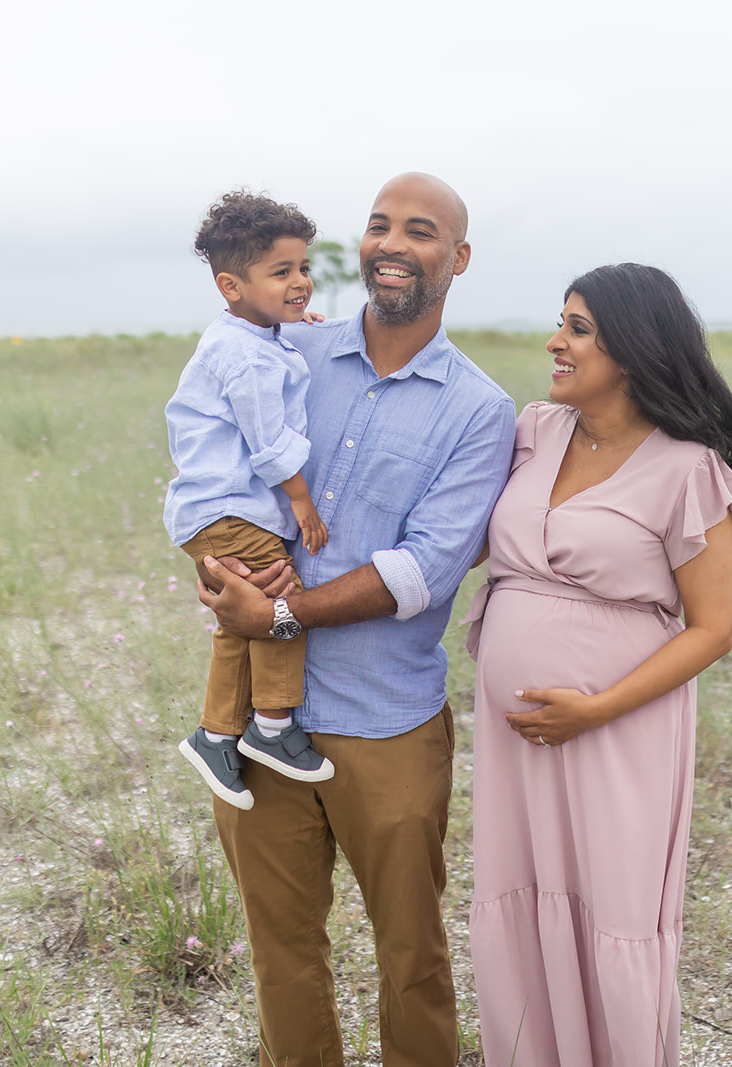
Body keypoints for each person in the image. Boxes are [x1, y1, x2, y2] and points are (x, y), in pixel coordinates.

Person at [197, 173, 516, 1067]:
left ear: (456, 259)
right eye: (379, 225)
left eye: (420, 231)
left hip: (389, 722)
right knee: (282, 952)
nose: (391, 243)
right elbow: (215, 466)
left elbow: (423, 569)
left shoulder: (479, 410)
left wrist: (278, 611)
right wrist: (220, 571)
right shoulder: (285, 352)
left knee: (412, 956)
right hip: (266, 726)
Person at [463, 263, 732, 1066]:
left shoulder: (686, 467)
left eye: (579, 328)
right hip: (513, 735)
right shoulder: (535, 430)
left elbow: (712, 630)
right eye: (561, 321)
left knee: (612, 907)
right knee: (518, 895)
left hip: (617, 728)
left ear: (632, 348)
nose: (555, 342)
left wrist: (596, 707)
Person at [165, 191, 336, 811]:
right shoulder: (246, 357)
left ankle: (215, 735)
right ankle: (272, 728)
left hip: (211, 511)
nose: (301, 283)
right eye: (282, 272)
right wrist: (304, 504)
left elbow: (274, 363)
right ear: (231, 285)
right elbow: (268, 444)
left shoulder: (253, 338)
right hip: (232, 511)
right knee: (279, 607)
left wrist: (293, 328)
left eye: (303, 269)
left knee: (238, 626)